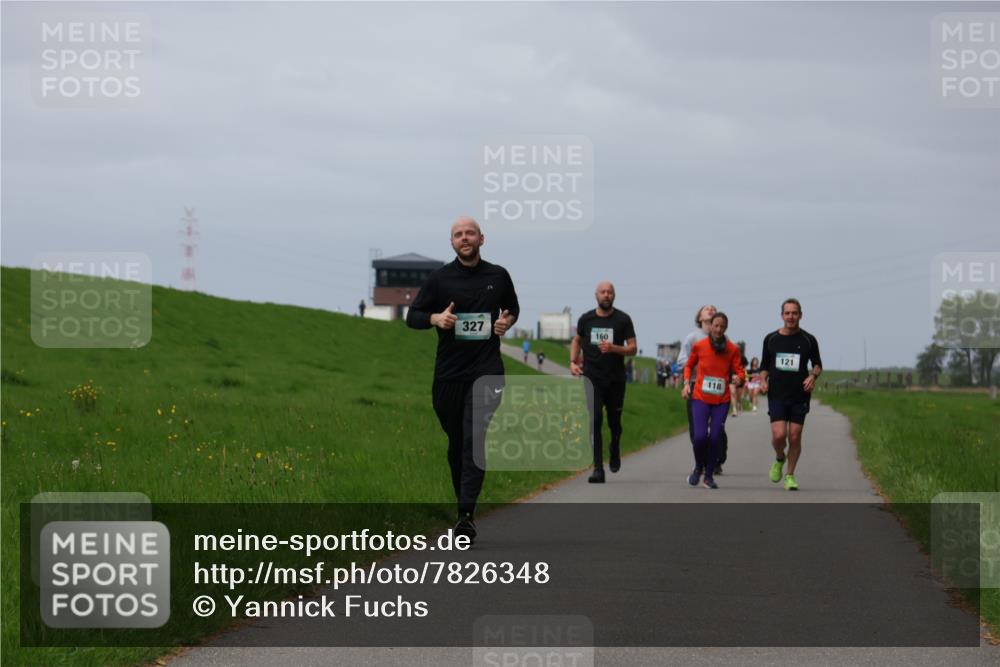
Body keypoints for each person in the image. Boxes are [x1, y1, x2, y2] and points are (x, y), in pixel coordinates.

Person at [406, 216, 519, 540]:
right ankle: (463, 506)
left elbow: (512, 308)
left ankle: (465, 515)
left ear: (482, 239)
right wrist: (435, 317)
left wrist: (506, 322)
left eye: (470, 233)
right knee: (457, 442)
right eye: (458, 234)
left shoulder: (498, 276)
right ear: (452, 242)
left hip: (486, 370)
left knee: (474, 438)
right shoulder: (440, 280)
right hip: (449, 375)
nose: (464, 238)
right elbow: (412, 317)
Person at [570, 282, 637, 483]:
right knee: (595, 420)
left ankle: (615, 447)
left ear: (614, 295)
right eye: (603, 292)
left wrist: (614, 348)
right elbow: (577, 341)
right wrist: (573, 362)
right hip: (592, 379)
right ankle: (598, 468)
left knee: (614, 424)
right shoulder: (586, 319)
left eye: (609, 292)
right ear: (596, 295)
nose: (606, 295)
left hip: (615, 380)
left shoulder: (623, 319)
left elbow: (633, 348)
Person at [759, 298, 822, 491]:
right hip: (777, 394)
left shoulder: (808, 340)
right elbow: (764, 366)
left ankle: (790, 476)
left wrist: (812, 376)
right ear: (782, 315)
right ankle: (780, 457)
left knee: (794, 437)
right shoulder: (771, 339)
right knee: (779, 435)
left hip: (799, 395)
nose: (791, 317)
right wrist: (762, 380)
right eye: (787, 313)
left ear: (800, 315)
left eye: (794, 313)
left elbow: (818, 365)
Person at [682, 312, 745, 489]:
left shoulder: (732, 349)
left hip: (721, 400)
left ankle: (708, 476)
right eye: (715, 325)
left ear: (726, 328)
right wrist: (687, 384)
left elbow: (739, 371)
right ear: (710, 326)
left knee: (715, 437)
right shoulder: (700, 346)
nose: (718, 329)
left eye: (722, 326)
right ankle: (698, 468)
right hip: (700, 398)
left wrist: (739, 378)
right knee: (700, 437)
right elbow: (688, 366)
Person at [678, 304, 729, 474]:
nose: (711, 309)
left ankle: (717, 458)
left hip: (717, 388)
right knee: (697, 427)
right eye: (706, 308)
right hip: (696, 385)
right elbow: (681, 361)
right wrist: (699, 366)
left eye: (714, 308)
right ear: (700, 317)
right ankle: (703, 460)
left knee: (717, 428)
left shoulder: (724, 339)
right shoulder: (692, 338)